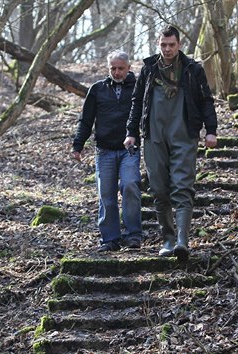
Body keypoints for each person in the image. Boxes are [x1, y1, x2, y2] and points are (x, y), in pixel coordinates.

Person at [124, 25, 217, 261]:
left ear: (179, 45)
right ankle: (167, 238)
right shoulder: (148, 69)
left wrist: (211, 130)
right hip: (154, 136)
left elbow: (206, 100)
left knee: (183, 186)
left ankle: (182, 241)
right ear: (158, 44)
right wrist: (131, 132)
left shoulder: (192, 70)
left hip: (184, 134)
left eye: (171, 45)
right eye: (163, 45)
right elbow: (137, 102)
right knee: (158, 188)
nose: (167, 49)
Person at [73, 50, 142, 252]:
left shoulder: (138, 89)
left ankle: (133, 235)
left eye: (121, 68)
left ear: (129, 68)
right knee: (106, 195)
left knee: (130, 185)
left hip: (129, 149)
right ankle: (110, 239)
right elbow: (86, 120)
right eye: (113, 68)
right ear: (108, 68)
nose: (117, 72)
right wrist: (78, 145)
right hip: (104, 150)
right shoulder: (97, 89)